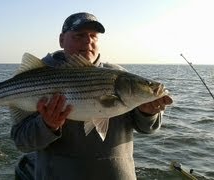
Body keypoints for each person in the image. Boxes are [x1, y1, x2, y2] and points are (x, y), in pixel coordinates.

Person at [11, 12, 173, 180]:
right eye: (79, 35)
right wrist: (47, 126)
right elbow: (22, 143)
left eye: (93, 36)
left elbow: (148, 128)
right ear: (61, 39)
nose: (88, 41)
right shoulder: (37, 77)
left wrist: (148, 113)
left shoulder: (121, 76)